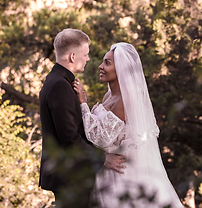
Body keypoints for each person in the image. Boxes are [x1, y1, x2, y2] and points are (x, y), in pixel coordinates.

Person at [73, 42, 184, 208]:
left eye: (107, 63)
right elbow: (102, 130)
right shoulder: (109, 96)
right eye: (103, 62)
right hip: (107, 171)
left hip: (120, 176)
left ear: (122, 70)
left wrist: (83, 104)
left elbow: (101, 140)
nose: (100, 66)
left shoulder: (125, 101)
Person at [39, 29, 126, 208]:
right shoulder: (59, 86)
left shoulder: (58, 81)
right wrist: (103, 158)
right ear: (72, 56)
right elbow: (69, 137)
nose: (88, 59)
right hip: (69, 176)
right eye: (85, 54)